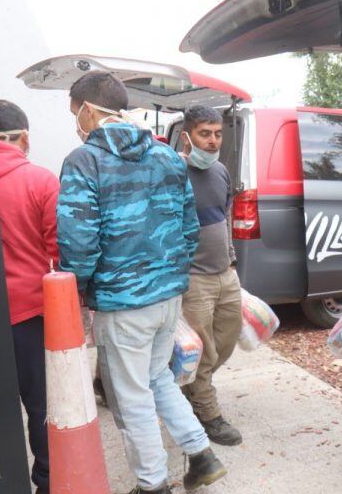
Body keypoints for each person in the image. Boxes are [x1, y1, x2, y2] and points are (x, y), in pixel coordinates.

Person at [56, 71, 226, 494]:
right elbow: (191, 229)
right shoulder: (168, 156)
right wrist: (170, 274)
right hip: (168, 295)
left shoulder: (85, 161)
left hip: (122, 300)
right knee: (156, 378)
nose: (76, 122)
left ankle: (152, 484)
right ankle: (201, 454)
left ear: (90, 110)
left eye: (75, 113)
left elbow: (78, 239)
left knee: (130, 395)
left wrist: (77, 288)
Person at [0, 100, 57, 494]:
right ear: (23, 137)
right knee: (41, 404)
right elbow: (60, 251)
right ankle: (46, 480)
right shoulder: (41, 180)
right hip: (31, 315)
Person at [179, 106, 243, 446]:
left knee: (225, 342)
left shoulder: (220, 171)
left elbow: (225, 218)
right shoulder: (173, 172)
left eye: (218, 133)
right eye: (205, 133)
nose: (213, 140)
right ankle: (208, 414)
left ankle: (192, 386)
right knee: (201, 352)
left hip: (224, 274)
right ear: (187, 135)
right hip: (194, 279)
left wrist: (231, 261)